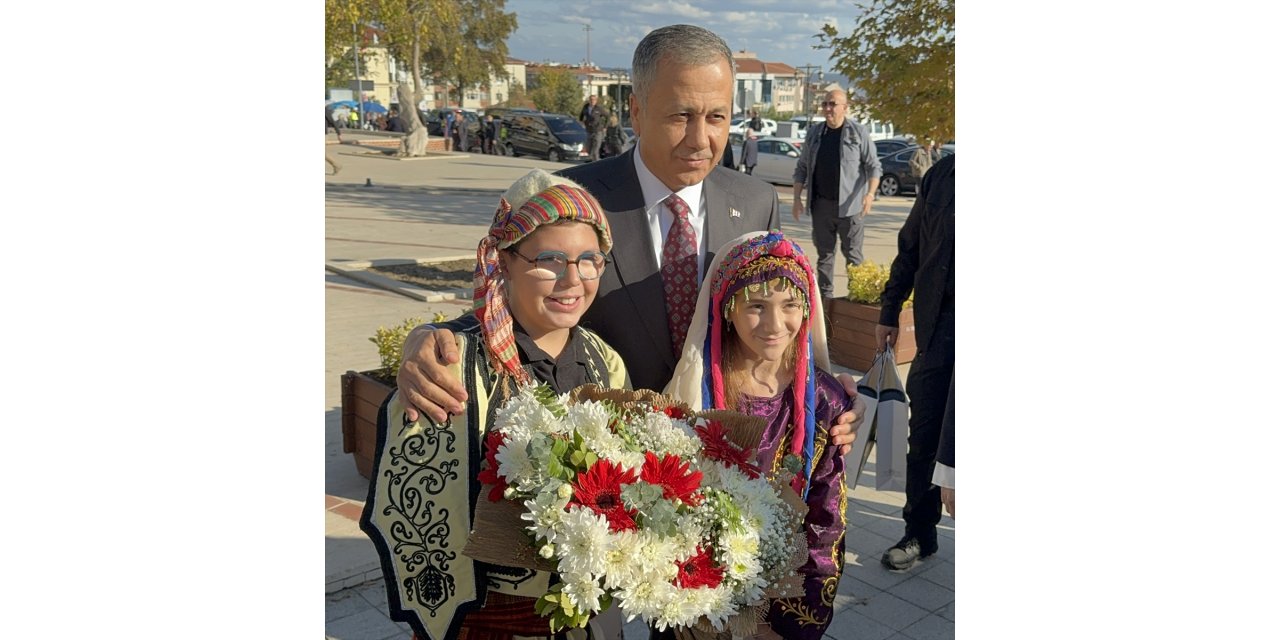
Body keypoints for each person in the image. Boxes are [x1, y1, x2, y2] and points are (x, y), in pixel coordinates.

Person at [395, 23, 865, 455]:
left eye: (717, 117)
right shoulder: (572, 197)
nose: (700, 139)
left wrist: (825, 395)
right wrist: (426, 340)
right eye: (681, 115)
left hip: (727, 460)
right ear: (637, 112)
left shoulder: (757, 201)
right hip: (604, 466)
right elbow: (508, 293)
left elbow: (776, 321)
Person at [361, 169, 628, 640]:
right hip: (483, 615)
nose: (573, 279)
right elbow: (416, 514)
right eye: (550, 259)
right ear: (503, 262)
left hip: (587, 612)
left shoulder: (605, 361)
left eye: (590, 260)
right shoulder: (450, 362)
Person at [664, 231, 852, 640]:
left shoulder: (823, 399)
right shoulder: (693, 393)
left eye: (789, 305)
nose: (774, 324)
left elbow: (827, 522)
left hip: (782, 609)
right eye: (756, 306)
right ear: (727, 309)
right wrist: (691, 602)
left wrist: (786, 625)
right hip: (695, 601)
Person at [875, 153, 955, 571]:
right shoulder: (941, 176)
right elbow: (910, 248)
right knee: (923, 438)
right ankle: (919, 533)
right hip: (939, 332)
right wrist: (890, 311)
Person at [791, 88, 882, 302]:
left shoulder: (858, 133)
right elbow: (802, 167)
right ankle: (826, 303)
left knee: (853, 258)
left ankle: (856, 300)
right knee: (824, 257)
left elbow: (873, 167)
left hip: (851, 208)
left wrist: (869, 195)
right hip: (821, 206)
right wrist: (796, 199)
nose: (828, 108)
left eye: (833, 104)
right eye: (825, 104)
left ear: (845, 108)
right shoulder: (815, 134)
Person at [579, 94, 608, 161]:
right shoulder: (586, 107)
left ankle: (597, 164)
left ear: (596, 101)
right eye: (591, 100)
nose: (592, 101)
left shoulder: (599, 108)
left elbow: (607, 116)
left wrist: (605, 127)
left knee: (595, 150)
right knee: (588, 148)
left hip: (598, 131)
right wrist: (582, 123)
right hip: (589, 130)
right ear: (589, 100)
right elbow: (581, 116)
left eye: (594, 100)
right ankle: (593, 162)